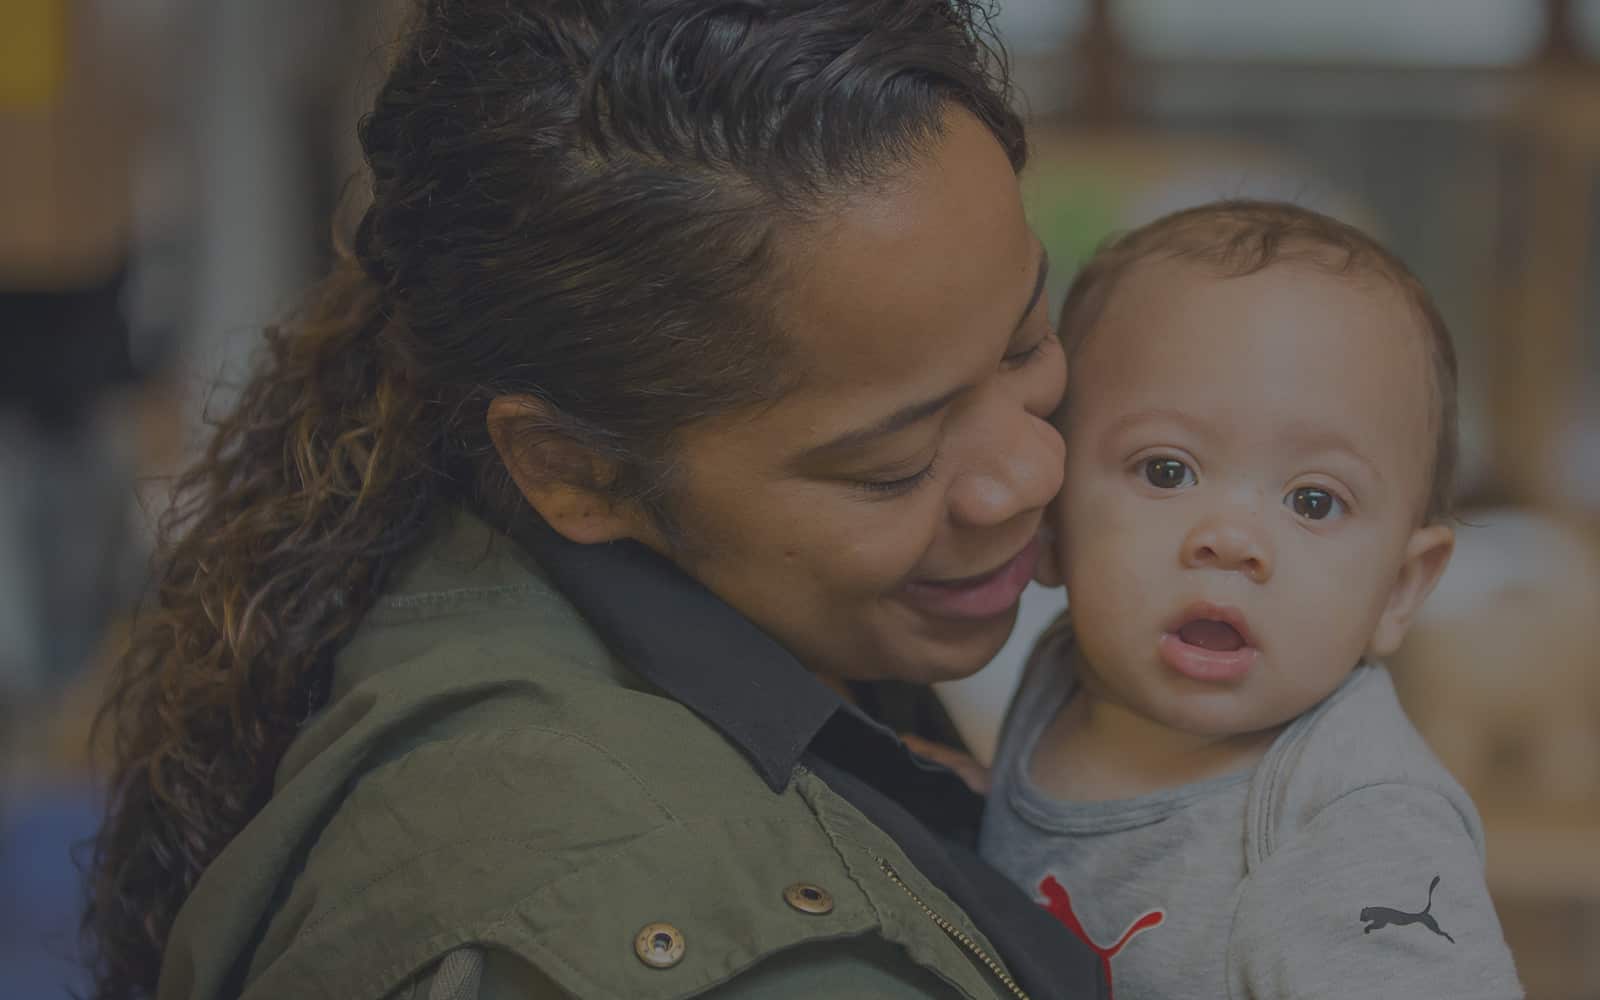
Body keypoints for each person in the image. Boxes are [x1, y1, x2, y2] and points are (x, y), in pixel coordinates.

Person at [83, 2, 1107, 998]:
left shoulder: (454, 524)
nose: (1031, 470)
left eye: (1024, 340)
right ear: (572, 466)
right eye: (892, 463)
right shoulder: (758, 958)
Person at [979, 200, 1523, 999]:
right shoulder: (1068, 668)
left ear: (1398, 590)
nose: (1231, 539)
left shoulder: (1355, 826)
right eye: (1167, 471)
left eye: (1313, 501)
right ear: (1054, 522)